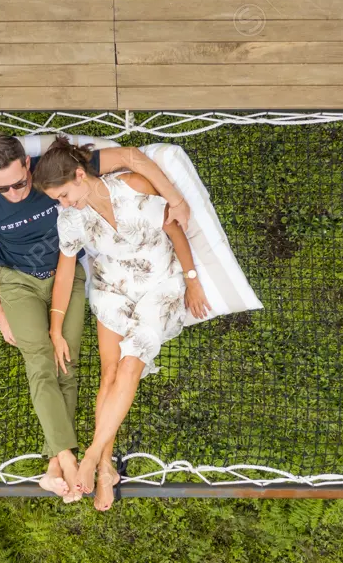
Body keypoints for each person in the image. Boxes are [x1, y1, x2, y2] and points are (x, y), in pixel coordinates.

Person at [0, 134, 190, 502]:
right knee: (39, 360)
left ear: (27, 164)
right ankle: (66, 460)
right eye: (2, 188)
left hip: (68, 276)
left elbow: (131, 157)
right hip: (17, 280)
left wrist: (176, 200)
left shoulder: (57, 173)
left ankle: (75, 463)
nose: (16, 193)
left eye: (20, 183)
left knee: (67, 364)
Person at [34, 137, 211, 511]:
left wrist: (192, 279)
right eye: (57, 200)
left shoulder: (135, 186)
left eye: (64, 195)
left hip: (158, 285)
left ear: (81, 175)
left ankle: (95, 460)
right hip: (111, 286)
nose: (63, 204)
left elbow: (174, 229)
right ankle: (105, 470)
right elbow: (65, 274)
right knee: (108, 372)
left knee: (131, 364)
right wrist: (54, 328)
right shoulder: (71, 218)